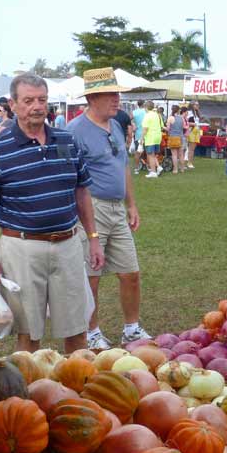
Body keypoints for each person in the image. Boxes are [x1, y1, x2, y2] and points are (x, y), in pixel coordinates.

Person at [0, 73, 104, 354]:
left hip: (68, 245)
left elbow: (81, 191)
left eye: (42, 100)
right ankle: (30, 392)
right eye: (28, 101)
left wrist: (92, 237)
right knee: (28, 332)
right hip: (22, 248)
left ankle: (78, 389)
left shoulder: (66, 141)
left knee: (77, 328)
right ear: (13, 105)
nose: (37, 106)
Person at [67, 67, 150, 348]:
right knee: (91, 276)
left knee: (131, 273)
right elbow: (70, 179)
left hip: (116, 209)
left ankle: (132, 329)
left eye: (117, 94)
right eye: (110, 95)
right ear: (92, 98)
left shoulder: (115, 125)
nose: (117, 100)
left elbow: (123, 165)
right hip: (91, 210)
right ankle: (91, 332)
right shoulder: (74, 131)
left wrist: (132, 204)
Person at [142, 101, 163, 178]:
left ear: (146, 107)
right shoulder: (157, 114)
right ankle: (158, 167)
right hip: (157, 137)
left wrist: (141, 139)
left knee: (150, 155)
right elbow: (161, 125)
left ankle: (153, 172)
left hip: (150, 137)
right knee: (153, 154)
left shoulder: (147, 116)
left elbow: (145, 129)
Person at [166, 105, 185, 173]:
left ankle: (175, 169)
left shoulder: (170, 118)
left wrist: (163, 128)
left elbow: (168, 129)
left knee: (174, 154)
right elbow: (184, 127)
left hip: (173, 137)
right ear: (178, 110)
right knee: (181, 154)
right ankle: (182, 169)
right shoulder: (181, 118)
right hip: (180, 137)